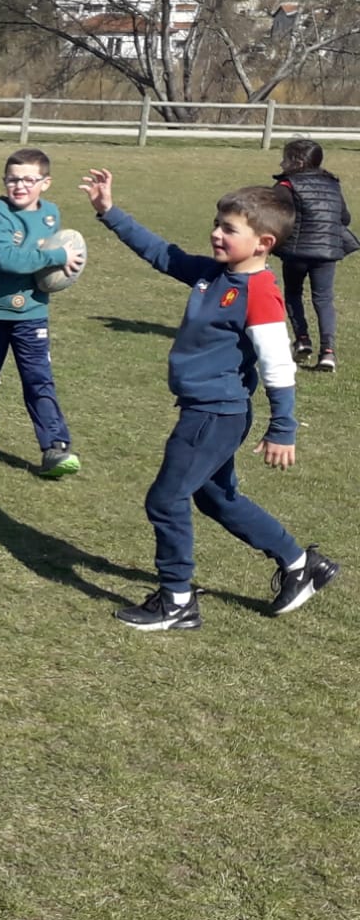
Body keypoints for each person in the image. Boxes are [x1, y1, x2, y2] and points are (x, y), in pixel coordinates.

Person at [80, 167, 339, 630]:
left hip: (214, 414)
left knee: (165, 500)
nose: (216, 234)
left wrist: (283, 428)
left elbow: (278, 366)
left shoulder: (260, 293)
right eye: (217, 225)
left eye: (229, 229)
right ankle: (301, 565)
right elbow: (162, 253)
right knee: (216, 498)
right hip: (207, 411)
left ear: (263, 243)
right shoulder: (214, 274)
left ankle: (177, 600)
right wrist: (108, 212)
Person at [0, 149, 82, 477]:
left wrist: (65, 265)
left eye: (29, 179)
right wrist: (56, 256)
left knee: (39, 380)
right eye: (13, 179)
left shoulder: (51, 214)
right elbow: (6, 260)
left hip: (32, 313)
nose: (20, 186)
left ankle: (55, 447)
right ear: (4, 181)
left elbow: (56, 263)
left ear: (46, 182)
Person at [272, 136, 352, 372]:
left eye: (285, 158)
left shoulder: (286, 186)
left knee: (294, 293)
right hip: (327, 252)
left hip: (296, 253)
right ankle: (328, 352)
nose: (281, 164)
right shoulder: (333, 184)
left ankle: (302, 339)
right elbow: (344, 218)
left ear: (297, 162)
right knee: (324, 299)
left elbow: (275, 217)